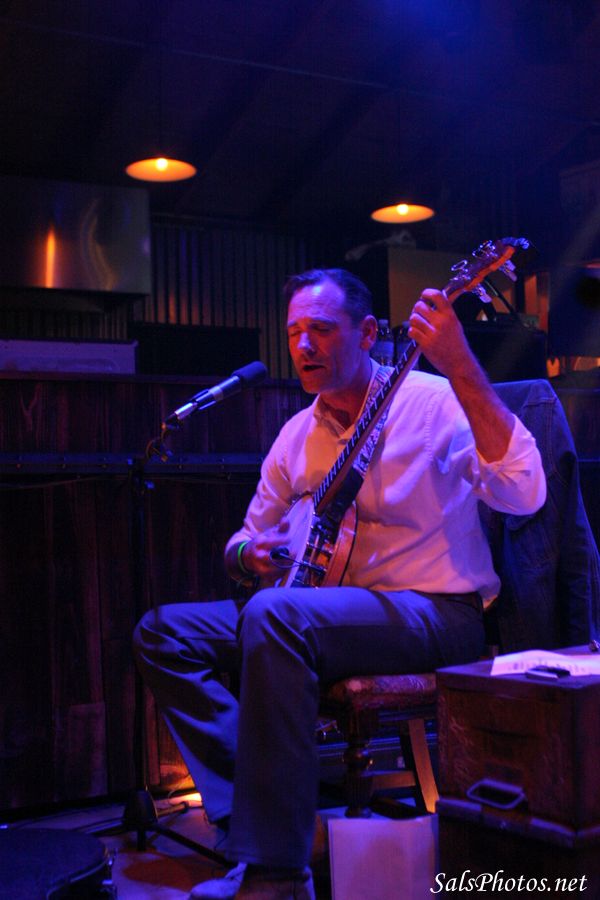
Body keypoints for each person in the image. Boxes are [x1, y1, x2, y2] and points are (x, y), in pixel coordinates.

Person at [133, 268, 546, 900]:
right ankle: (254, 814)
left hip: (434, 611)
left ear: (369, 333)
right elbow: (243, 539)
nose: (303, 346)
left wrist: (460, 363)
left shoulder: (431, 402)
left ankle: (275, 873)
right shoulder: (296, 435)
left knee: (275, 616)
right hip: (321, 612)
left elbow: (525, 491)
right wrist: (250, 555)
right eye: (294, 332)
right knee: (163, 633)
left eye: (322, 330)